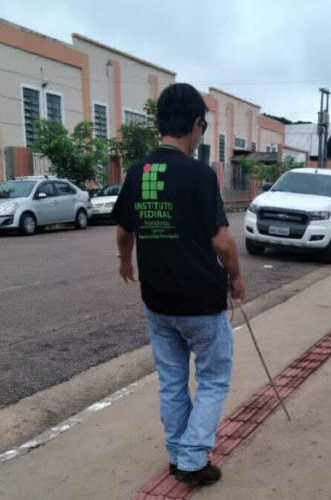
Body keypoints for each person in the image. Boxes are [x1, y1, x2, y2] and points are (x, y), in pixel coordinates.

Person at [111, 83, 245, 487]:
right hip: (200, 303)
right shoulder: (199, 174)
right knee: (213, 379)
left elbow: (124, 230)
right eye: (203, 127)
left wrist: (125, 261)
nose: (202, 134)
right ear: (196, 123)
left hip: (157, 301)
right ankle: (191, 460)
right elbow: (222, 242)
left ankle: (177, 454)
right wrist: (236, 277)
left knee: (171, 381)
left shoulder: (138, 172)